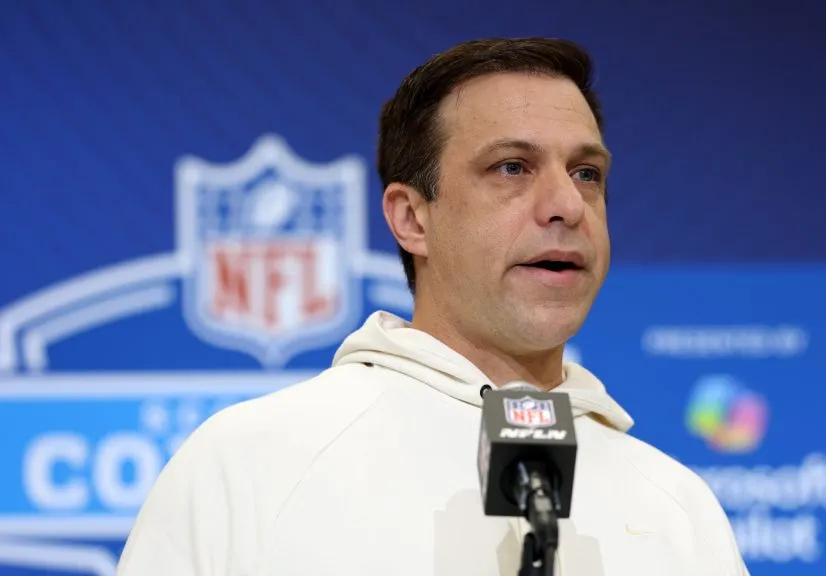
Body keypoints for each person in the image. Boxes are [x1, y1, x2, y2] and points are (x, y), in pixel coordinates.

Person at [117, 37, 749, 575]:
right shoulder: (249, 463)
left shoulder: (676, 507)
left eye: (587, 172)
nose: (566, 204)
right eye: (511, 168)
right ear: (411, 218)